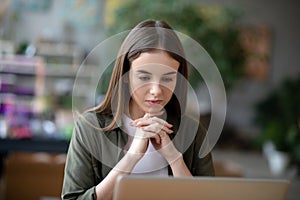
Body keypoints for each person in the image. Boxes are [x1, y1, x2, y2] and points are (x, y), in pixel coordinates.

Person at [62, 19, 215, 200]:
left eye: (167, 79)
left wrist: (174, 158)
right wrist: (131, 158)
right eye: (144, 77)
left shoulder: (192, 131)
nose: (156, 91)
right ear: (125, 75)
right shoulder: (89, 127)